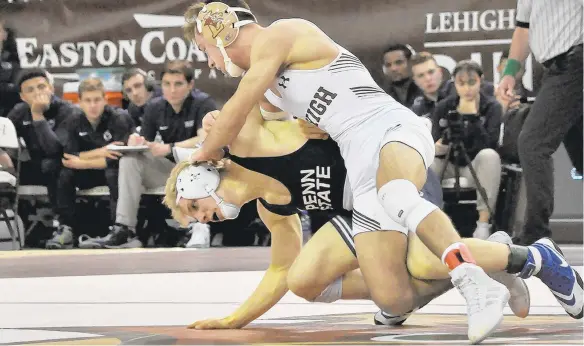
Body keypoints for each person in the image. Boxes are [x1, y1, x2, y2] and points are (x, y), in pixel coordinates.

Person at [183, 1, 583, 341]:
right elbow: (256, 122)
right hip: (358, 161)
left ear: (220, 30)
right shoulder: (269, 87)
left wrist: (203, 152)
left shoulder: (281, 33)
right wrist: (219, 130)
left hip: (388, 127)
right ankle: (525, 259)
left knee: (395, 192)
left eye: (205, 50)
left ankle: (472, 281)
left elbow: (239, 108)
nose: (210, 62)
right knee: (394, 298)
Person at [163, 106, 537, 330]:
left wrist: (318, 119)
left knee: (423, 262)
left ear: (201, 176)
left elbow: (265, 85)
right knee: (306, 281)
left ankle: (521, 257)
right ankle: (458, 274)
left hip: (392, 178)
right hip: (362, 216)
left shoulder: (261, 141)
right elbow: (280, 271)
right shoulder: (270, 206)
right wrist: (235, 320)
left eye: (194, 208)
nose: (202, 219)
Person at [79, 60, 218, 248]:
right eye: (167, 84)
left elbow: (205, 140)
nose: (172, 90)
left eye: (178, 84)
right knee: (130, 160)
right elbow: (146, 144)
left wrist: (170, 148)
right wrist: (137, 142)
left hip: (201, 168)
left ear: (190, 85)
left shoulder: (203, 103)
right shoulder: (155, 107)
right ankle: (125, 229)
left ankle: (198, 228)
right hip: (170, 170)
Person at [498, 0, 583, 249]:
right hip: (556, 69)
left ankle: (536, 234)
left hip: (575, 63)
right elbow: (523, 29)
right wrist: (510, 73)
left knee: (533, 143)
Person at [53, 78, 135, 249]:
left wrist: (82, 162)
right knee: (64, 174)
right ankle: (65, 227)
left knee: (115, 170)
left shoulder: (119, 118)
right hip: (90, 173)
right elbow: (68, 157)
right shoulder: (73, 121)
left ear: (105, 99)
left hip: (113, 171)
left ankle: (119, 229)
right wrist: (101, 151)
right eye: (88, 101)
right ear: (79, 102)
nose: (93, 105)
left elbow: (118, 156)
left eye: (97, 100)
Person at [429, 60, 503, 240]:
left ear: (481, 81)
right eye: (461, 84)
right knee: (428, 161)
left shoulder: (492, 107)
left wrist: (474, 119)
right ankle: (430, 223)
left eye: (472, 83)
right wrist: (442, 143)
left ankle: (483, 224)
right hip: (449, 164)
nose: (467, 89)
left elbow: (490, 144)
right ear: (454, 83)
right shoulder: (444, 107)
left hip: (475, 167)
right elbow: (433, 142)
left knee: (490, 156)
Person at [380, 43, 422, 108]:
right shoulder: (381, 97)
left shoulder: (425, 90)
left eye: (399, 62)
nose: (393, 68)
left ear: (411, 63)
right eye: (388, 65)